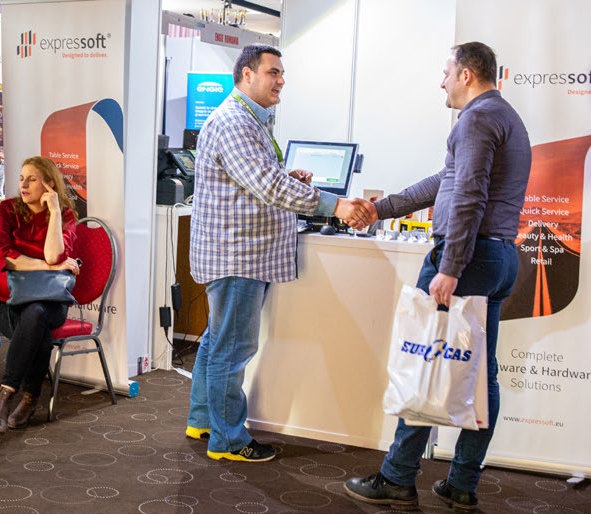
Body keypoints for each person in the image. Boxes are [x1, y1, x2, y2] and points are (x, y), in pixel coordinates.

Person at [343, 42, 531, 511]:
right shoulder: (503, 116)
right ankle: (461, 484)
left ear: (466, 74)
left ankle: (397, 478)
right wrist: (380, 209)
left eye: (446, 72)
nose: (440, 81)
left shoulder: (477, 119)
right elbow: (444, 181)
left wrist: (450, 267)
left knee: (424, 361)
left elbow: (468, 196)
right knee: (481, 375)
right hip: (498, 257)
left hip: (468, 258)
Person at [185, 44, 373, 462]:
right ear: (247, 74)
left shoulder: (249, 119)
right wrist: (334, 205)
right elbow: (267, 187)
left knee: (218, 341)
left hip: (240, 251)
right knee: (232, 349)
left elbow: (255, 180)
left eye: (282, 73)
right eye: (273, 72)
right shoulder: (234, 121)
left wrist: (287, 177)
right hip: (238, 255)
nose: (281, 80)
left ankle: (203, 420)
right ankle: (228, 440)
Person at [0, 156, 80, 434]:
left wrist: (54, 212)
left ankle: (5, 394)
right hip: (7, 304)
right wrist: (47, 266)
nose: (23, 185)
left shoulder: (65, 216)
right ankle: (29, 398)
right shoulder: (7, 210)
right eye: (21, 178)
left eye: (32, 179)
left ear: (49, 185)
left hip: (51, 302)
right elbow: (4, 257)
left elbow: (54, 255)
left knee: (37, 313)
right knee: (37, 325)